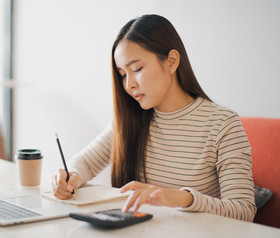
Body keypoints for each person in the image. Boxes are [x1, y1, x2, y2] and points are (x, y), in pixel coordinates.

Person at [51, 14, 256, 222]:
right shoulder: (130, 120)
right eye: (122, 74)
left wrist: (181, 198)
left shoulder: (223, 124)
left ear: (172, 61)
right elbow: (84, 162)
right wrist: (71, 177)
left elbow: (244, 210)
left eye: (137, 69)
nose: (129, 84)